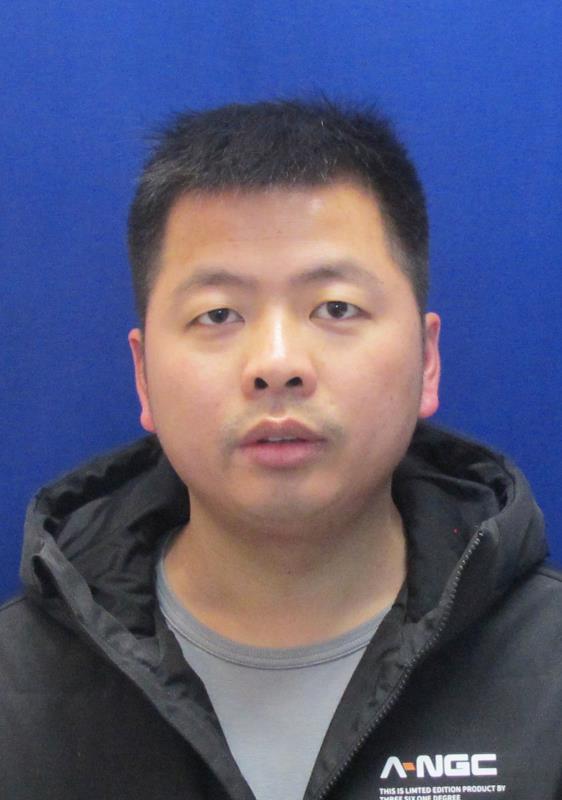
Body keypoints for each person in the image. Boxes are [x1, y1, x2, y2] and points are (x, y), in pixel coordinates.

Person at [0, 98, 559, 800]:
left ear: (427, 360)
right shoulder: (18, 695)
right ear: (143, 375)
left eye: (335, 307)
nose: (277, 363)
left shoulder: (547, 673)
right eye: (218, 314)